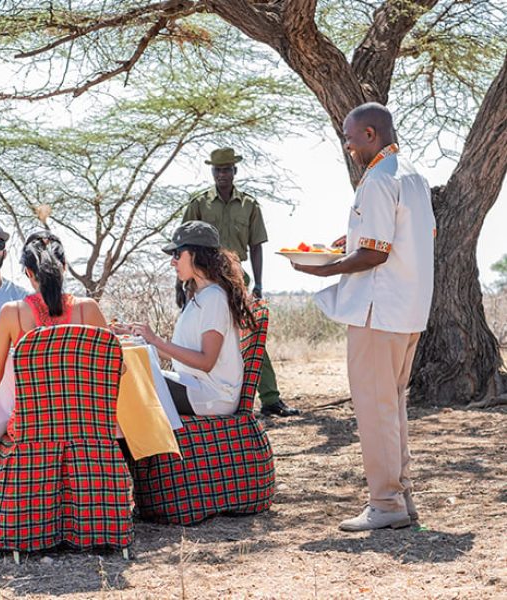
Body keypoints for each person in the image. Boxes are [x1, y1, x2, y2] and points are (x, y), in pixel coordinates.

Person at [292, 102, 435, 531]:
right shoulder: (411, 175)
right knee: (391, 406)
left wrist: (324, 266)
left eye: (350, 137)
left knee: (375, 409)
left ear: (371, 134)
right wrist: (350, 239)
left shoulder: (376, 181)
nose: (348, 145)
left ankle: (386, 502)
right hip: (407, 311)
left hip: (379, 311)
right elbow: (401, 236)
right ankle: (400, 497)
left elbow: (376, 252)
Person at [181, 148, 299, 417]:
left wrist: (258, 284)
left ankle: (270, 398)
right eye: (217, 170)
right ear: (212, 172)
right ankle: (204, 394)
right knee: (203, 337)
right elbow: (184, 244)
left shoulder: (249, 204)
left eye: (226, 169)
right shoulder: (199, 203)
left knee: (251, 335)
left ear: (235, 171)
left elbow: (256, 245)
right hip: (202, 277)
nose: (222, 174)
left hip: (236, 276)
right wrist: (184, 285)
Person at [119, 221, 256, 416]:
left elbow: (206, 361)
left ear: (196, 254)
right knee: (127, 377)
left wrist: (156, 339)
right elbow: (178, 355)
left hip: (212, 396)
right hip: (194, 387)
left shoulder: (214, 298)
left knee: (130, 384)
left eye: (177, 254)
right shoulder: (199, 296)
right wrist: (137, 338)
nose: (172, 262)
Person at [0, 230, 108, 390]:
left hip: (31, 415)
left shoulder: (11, 312)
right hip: (84, 414)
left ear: (28, 272)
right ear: (63, 267)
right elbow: (119, 368)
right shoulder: (88, 308)